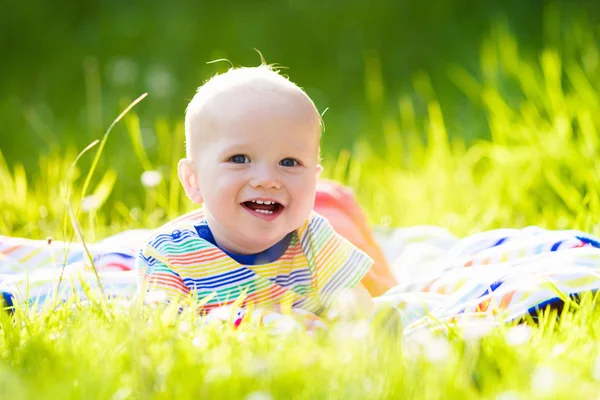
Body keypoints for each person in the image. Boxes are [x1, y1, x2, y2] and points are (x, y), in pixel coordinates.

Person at [136, 65, 396, 320]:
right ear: (194, 180)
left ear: (313, 181)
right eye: (239, 158)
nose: (267, 180)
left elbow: (358, 311)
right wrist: (255, 324)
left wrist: (359, 329)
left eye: (289, 162)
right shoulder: (171, 255)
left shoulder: (314, 239)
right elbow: (162, 335)